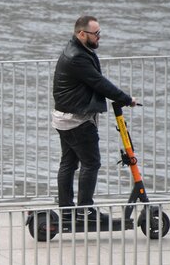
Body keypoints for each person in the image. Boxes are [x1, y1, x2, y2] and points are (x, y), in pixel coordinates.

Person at [52, 15, 138, 224]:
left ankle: (67, 211)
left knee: (69, 163)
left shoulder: (76, 50)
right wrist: (125, 99)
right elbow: (99, 82)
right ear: (82, 34)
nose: (99, 37)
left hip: (65, 117)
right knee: (91, 163)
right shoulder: (78, 57)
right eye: (96, 33)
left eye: (99, 32)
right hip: (77, 121)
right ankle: (85, 212)